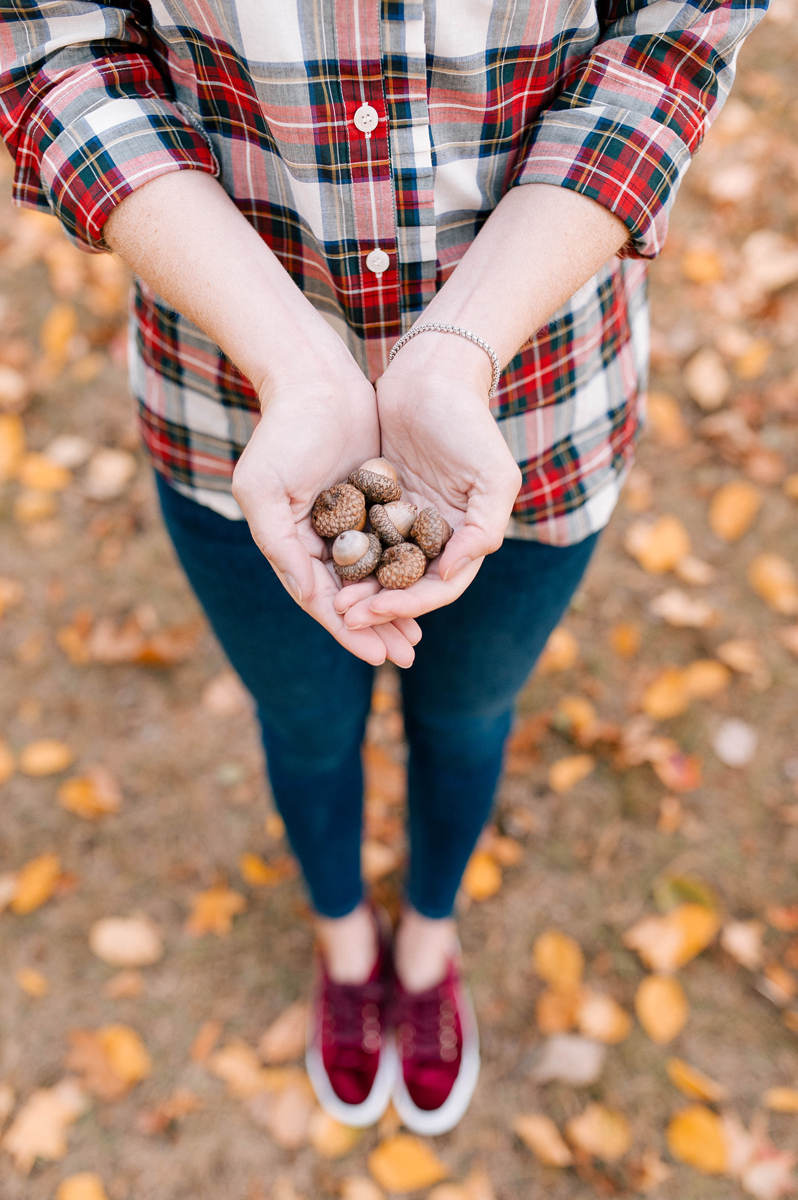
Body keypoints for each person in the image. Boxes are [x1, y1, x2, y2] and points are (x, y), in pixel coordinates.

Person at [0, 0, 767, 1134]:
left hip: (542, 406)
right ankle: (344, 939)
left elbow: (672, 41)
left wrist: (458, 351)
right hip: (231, 417)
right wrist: (296, 365)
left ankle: (430, 935)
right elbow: (49, 43)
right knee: (304, 725)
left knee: (468, 717)